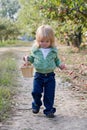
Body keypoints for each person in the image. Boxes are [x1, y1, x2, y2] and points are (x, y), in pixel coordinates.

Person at [23, 25, 66, 118]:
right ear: (38, 40)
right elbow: (31, 59)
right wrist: (27, 58)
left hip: (50, 76)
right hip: (38, 76)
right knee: (36, 92)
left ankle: (49, 110)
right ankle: (36, 104)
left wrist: (60, 65)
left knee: (49, 94)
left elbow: (56, 60)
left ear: (51, 40)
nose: (44, 43)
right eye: (42, 41)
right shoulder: (36, 50)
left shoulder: (53, 51)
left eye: (47, 41)